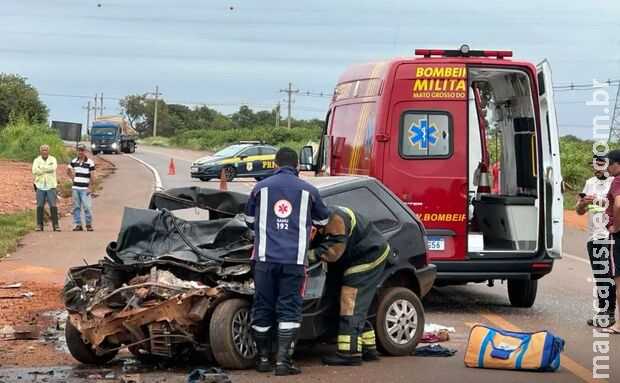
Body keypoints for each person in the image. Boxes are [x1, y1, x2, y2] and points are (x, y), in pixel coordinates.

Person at [244, 147, 329, 375]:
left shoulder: (259, 188)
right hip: (293, 261)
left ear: (275, 163)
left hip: (263, 259)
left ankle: (262, 360)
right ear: (298, 166)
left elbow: (249, 220)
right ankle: (283, 363)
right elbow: (323, 220)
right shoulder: (309, 190)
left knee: (262, 306)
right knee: (289, 308)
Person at [307, 205, 390, 366]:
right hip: (353, 257)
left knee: (350, 302)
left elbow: (334, 250)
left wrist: (308, 256)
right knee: (355, 305)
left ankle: (349, 353)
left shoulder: (335, 219)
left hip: (367, 256)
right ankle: (368, 350)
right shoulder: (318, 219)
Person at [576, 155, 616, 327]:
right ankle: (603, 312)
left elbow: (616, 204)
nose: (598, 169)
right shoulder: (590, 182)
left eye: (601, 166)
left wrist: (598, 200)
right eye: (595, 166)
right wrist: (583, 203)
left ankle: (610, 313)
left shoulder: (615, 182)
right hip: (593, 236)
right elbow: (578, 211)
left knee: (609, 276)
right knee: (600, 276)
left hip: (609, 236)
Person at [602, 149, 620, 335]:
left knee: (618, 281)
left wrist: (616, 226)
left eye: (609, 164)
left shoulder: (617, 181)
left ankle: (619, 324)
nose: (606, 168)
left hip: (616, 236)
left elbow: (618, 204)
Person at [66, 144, 96, 231]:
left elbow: (92, 175)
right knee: (76, 207)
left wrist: (89, 187)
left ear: (85, 151)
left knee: (87, 207)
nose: (80, 152)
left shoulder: (89, 162)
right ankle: (78, 224)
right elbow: (68, 170)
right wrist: (73, 178)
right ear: (77, 151)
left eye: (82, 150)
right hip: (76, 187)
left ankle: (88, 224)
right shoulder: (74, 161)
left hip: (85, 188)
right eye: (79, 150)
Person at [32, 144, 60, 231]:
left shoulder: (53, 159)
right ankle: (39, 225)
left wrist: (41, 168)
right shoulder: (36, 160)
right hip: (40, 186)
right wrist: (47, 168)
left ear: (49, 151)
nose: (44, 152)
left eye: (46, 150)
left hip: (51, 185)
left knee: (53, 205)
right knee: (40, 205)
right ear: (40, 151)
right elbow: (34, 171)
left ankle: (56, 225)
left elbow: (53, 168)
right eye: (43, 150)